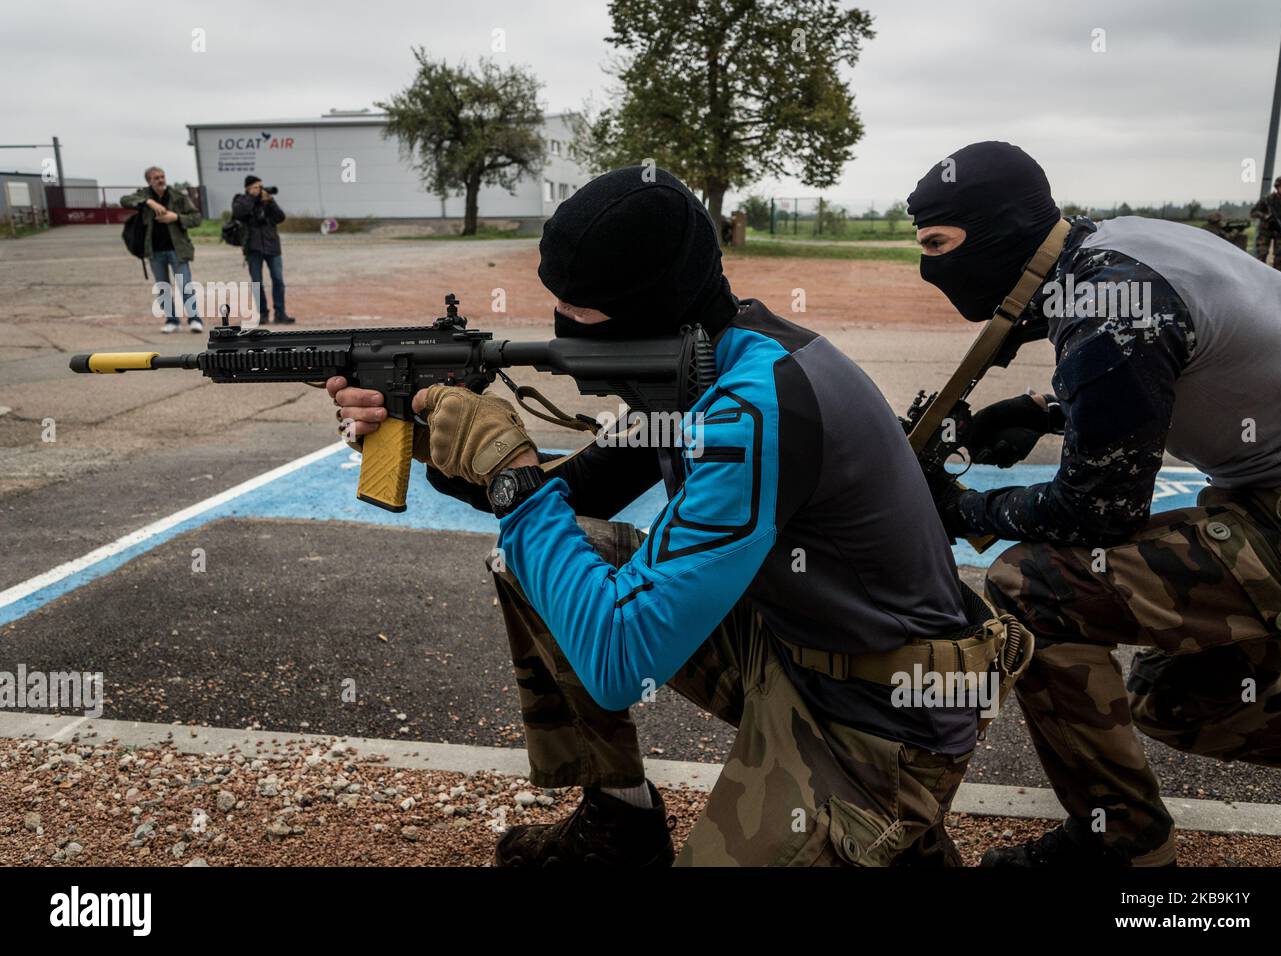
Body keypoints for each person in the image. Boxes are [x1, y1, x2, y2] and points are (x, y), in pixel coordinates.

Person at [328, 166, 1017, 867]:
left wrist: (510, 473)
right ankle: (619, 817)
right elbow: (577, 495)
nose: (565, 336)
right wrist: (430, 439)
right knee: (532, 559)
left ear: (653, 314)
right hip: (791, 643)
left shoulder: (753, 408)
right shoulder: (717, 351)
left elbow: (619, 662)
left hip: (881, 711)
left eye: (584, 318)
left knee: (568, 574)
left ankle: (895, 819)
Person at [909, 141, 1281, 867]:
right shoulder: (1106, 247)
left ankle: (1120, 843)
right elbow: (1162, 370)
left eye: (938, 244)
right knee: (1182, 706)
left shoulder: (1107, 298)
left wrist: (963, 511)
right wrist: (1041, 409)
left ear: (997, 229)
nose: (928, 266)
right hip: (1274, 494)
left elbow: (1097, 510)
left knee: (1030, 587)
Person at [119, 167, 203, 333]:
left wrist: (176, 217)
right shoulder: (143, 196)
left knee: (185, 285)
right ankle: (172, 320)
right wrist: (148, 202)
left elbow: (196, 218)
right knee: (163, 287)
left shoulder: (178, 197)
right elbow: (124, 200)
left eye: (162, 176)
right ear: (149, 181)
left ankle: (195, 319)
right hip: (155, 251)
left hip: (177, 250)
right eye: (156, 178)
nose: (161, 180)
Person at [232, 175, 295, 324]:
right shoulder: (240, 199)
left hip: (272, 246)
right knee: (257, 282)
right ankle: (263, 314)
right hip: (253, 248)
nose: (260, 189)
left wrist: (270, 201)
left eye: (261, 186)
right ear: (248, 188)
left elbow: (280, 217)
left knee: (278, 280)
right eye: (256, 187)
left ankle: (280, 314)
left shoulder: (266, 201)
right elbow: (239, 213)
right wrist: (253, 198)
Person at [1250, 175, 1281, 272]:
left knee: (1279, 257)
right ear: (1277, 187)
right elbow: (1253, 212)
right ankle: (1258, 275)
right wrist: (1265, 216)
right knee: (1262, 254)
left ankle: (1278, 279)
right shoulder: (1268, 199)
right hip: (1266, 230)